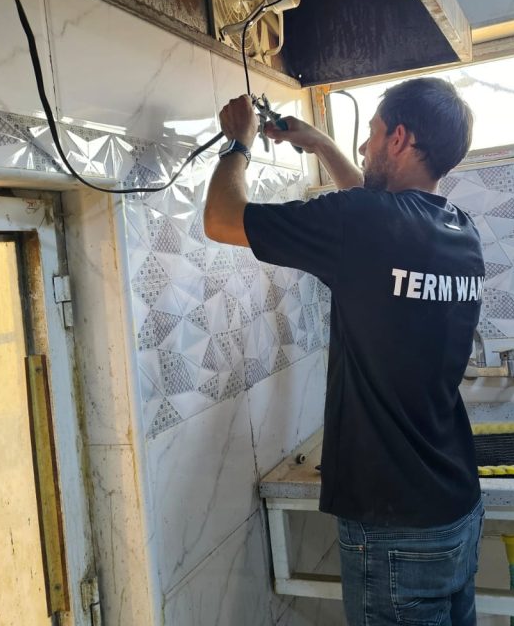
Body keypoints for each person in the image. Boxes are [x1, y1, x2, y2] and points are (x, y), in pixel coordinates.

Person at [203, 77, 485, 626]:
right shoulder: (459, 230)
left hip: (394, 521)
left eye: (372, 133)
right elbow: (377, 223)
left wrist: (239, 142)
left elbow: (222, 219)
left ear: (399, 138)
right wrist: (320, 145)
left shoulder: (365, 223)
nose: (364, 146)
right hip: (455, 506)